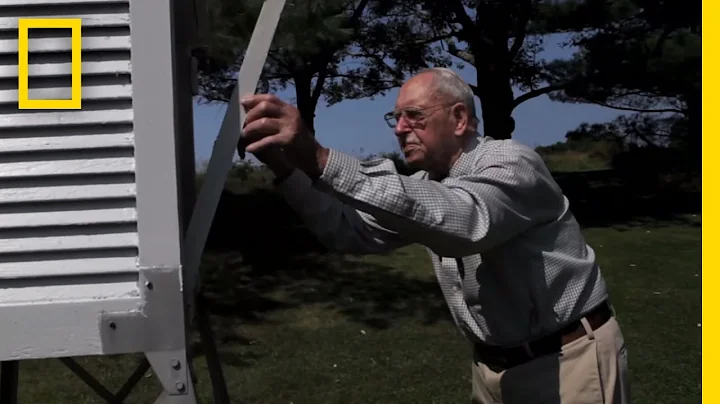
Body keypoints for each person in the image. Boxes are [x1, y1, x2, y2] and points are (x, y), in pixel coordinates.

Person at [239, 67, 630, 403]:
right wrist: (284, 167)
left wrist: (319, 158)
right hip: (493, 368)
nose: (400, 129)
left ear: (459, 119)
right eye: (395, 118)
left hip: (568, 361)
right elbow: (349, 231)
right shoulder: (426, 182)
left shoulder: (513, 163)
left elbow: (463, 220)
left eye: (414, 115)